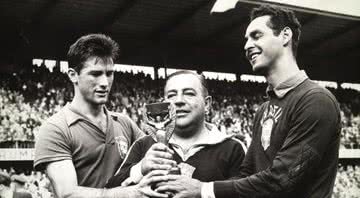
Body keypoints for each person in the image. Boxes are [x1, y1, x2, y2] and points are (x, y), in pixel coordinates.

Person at [152, 5, 341, 198]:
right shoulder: (264, 109)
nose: (247, 45)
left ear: (285, 35)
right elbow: (246, 174)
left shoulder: (316, 101)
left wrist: (202, 190)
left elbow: (283, 179)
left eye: (256, 36)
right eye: (247, 39)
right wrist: (184, 185)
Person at [34, 34, 166, 198]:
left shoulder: (125, 123)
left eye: (109, 73)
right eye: (95, 74)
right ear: (73, 75)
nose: (104, 83)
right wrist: (129, 194)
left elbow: (152, 160)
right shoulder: (55, 128)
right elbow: (68, 194)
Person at [105, 70, 246, 188]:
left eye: (189, 93)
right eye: (172, 95)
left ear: (207, 104)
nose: (179, 101)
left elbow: (247, 193)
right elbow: (110, 189)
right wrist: (140, 169)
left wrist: (202, 191)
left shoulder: (233, 148)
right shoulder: (144, 145)